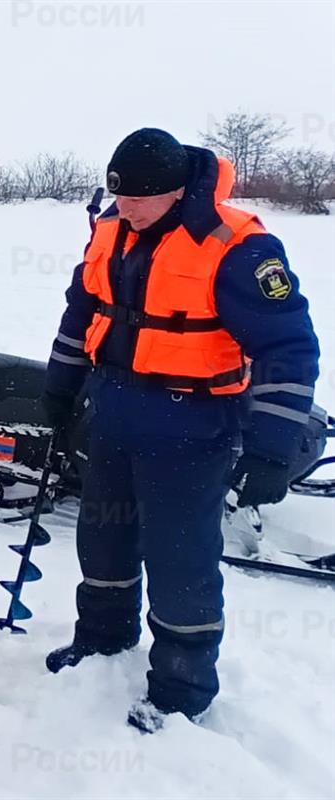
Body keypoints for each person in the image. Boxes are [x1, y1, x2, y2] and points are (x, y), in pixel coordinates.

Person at [41, 128, 320, 732]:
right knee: (103, 542)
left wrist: (273, 447)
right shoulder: (111, 230)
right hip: (113, 410)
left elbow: (288, 347)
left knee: (180, 561)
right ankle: (103, 643)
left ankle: (180, 688)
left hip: (191, 425)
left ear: (176, 191)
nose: (129, 209)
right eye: (120, 196)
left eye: (141, 198)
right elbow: (82, 310)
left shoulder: (238, 248)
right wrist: (60, 387)